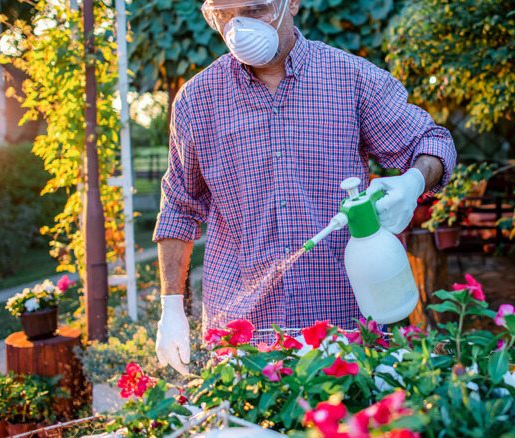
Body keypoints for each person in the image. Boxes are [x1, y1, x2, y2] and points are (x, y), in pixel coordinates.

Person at [154, 0, 456, 375]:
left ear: (291, 3)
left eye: (254, 10)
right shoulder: (196, 101)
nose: (238, 28)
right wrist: (170, 307)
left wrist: (413, 181)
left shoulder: (351, 79)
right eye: (224, 16)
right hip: (241, 334)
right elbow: (179, 208)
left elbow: (431, 141)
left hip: (341, 324)